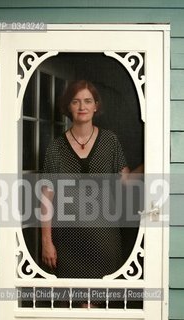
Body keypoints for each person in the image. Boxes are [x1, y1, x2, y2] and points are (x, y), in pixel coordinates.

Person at [40, 80, 142, 306]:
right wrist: (46, 241)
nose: (82, 106)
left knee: (101, 304)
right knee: (76, 305)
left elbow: (125, 182)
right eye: (75, 101)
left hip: (104, 240)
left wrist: (152, 158)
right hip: (68, 242)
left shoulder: (109, 141)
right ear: (68, 107)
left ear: (96, 106)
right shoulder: (55, 148)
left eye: (88, 101)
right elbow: (46, 198)